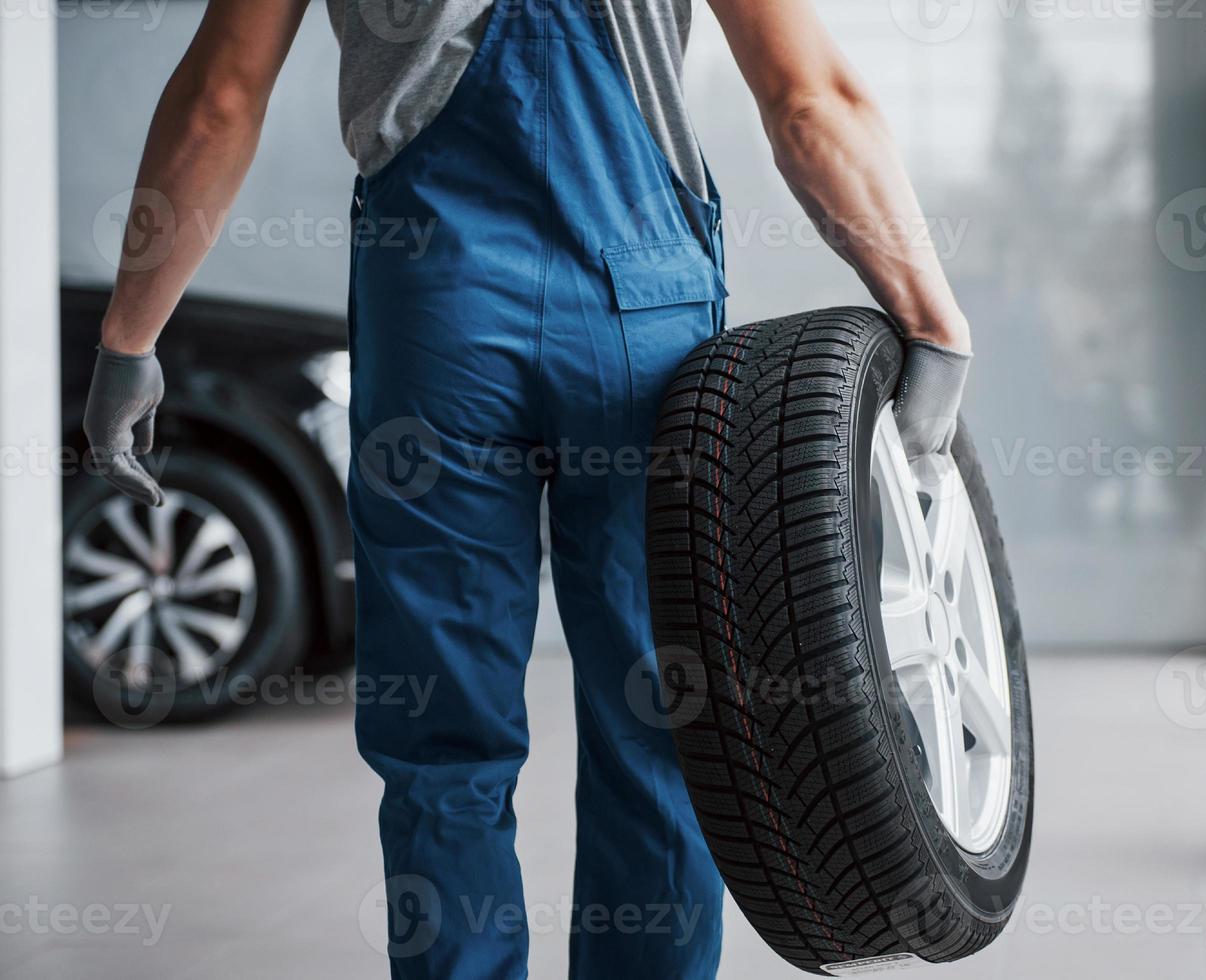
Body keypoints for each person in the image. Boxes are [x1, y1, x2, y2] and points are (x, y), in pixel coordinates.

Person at [83, 1, 974, 976]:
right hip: (641, 302)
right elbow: (807, 100)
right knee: (665, 724)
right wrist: (929, 314)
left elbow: (220, 98)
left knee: (442, 743)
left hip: (436, 308)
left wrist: (131, 334)